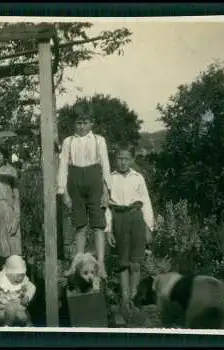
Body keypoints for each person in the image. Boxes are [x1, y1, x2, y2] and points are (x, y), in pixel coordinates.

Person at [57, 108, 111, 278]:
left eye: (85, 123)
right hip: (75, 181)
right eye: (79, 123)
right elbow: (63, 167)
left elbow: (105, 166)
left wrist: (106, 190)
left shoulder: (99, 140)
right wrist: (63, 192)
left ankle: (100, 263)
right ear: (75, 124)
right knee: (79, 225)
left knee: (98, 225)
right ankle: (78, 263)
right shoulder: (68, 141)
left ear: (91, 123)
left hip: (94, 180)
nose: (81, 126)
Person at [104, 144, 154, 315]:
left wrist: (149, 227)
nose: (123, 162)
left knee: (135, 262)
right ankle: (125, 299)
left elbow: (146, 202)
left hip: (136, 218)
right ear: (115, 159)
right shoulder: (110, 178)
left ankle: (134, 297)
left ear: (132, 160)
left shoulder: (138, 178)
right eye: (119, 158)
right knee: (122, 263)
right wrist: (108, 230)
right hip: (118, 218)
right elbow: (107, 208)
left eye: (126, 159)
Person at [0, 255, 36, 326]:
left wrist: (27, 296)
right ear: (8, 274)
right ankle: (7, 325)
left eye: (22, 275)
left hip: (18, 305)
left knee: (23, 315)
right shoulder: (1, 279)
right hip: (2, 307)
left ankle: (29, 325)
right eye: (17, 276)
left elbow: (32, 287)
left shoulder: (23, 280)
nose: (20, 278)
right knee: (10, 308)